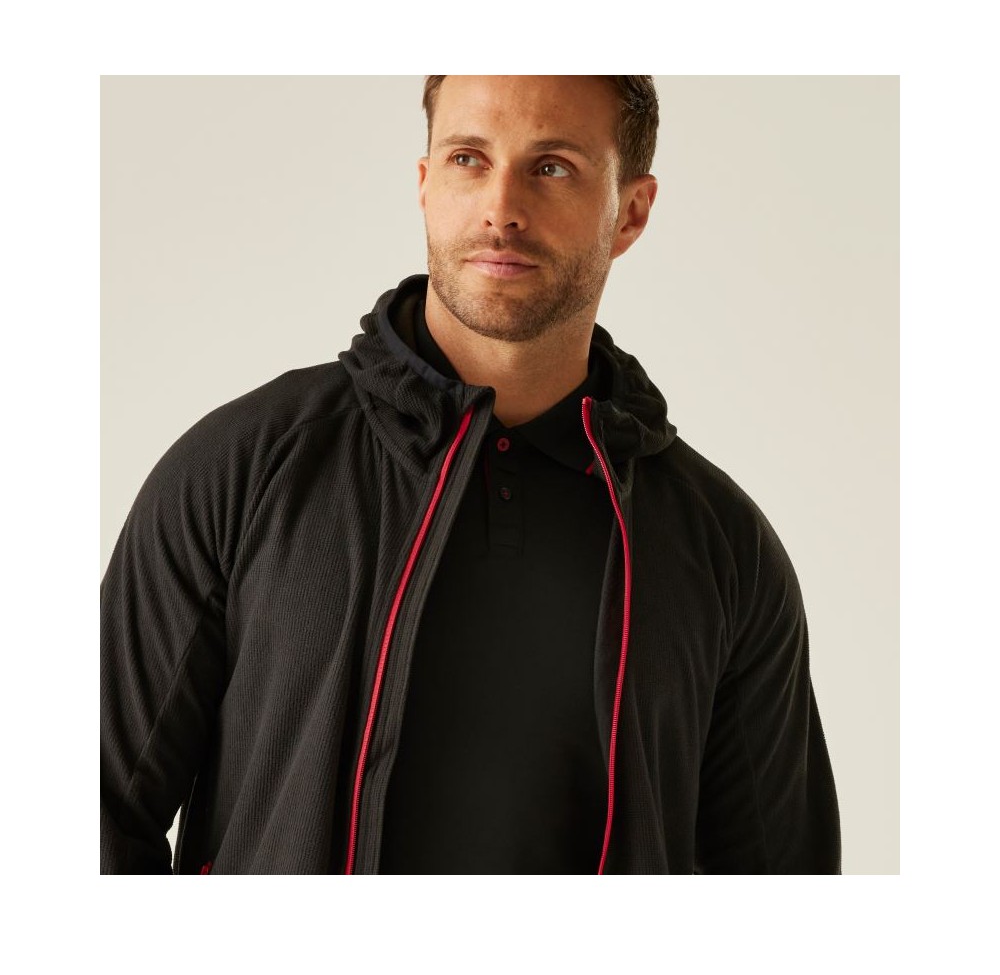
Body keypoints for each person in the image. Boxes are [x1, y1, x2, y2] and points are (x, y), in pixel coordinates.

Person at [100, 75, 841, 874]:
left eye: (551, 166)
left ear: (630, 211)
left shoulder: (723, 546)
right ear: (425, 184)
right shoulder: (243, 469)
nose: (501, 207)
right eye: (467, 158)